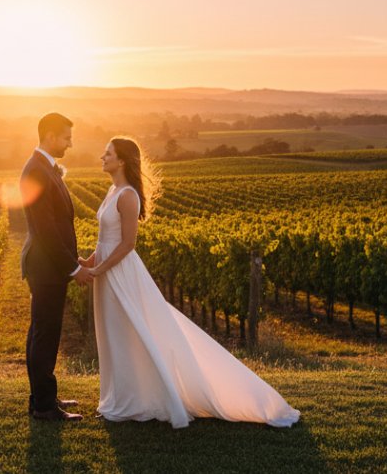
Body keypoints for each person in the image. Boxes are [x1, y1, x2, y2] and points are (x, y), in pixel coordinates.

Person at [80, 136, 301, 429]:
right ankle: (120, 399)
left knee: (129, 331)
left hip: (120, 273)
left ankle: (133, 401)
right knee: (113, 333)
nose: (102, 157)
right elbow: (105, 241)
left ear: (121, 160)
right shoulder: (112, 190)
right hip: (107, 270)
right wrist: (88, 262)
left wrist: (99, 270)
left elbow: (127, 244)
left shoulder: (128, 195)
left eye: (107, 154)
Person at [19, 112, 93, 421]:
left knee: (42, 332)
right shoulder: (37, 171)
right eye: (66, 137)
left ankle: (42, 398)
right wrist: (73, 269)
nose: (70, 143)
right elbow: (47, 229)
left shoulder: (44, 168)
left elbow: (56, 226)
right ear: (50, 136)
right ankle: (45, 407)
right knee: (45, 334)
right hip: (46, 267)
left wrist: (71, 260)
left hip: (49, 265)